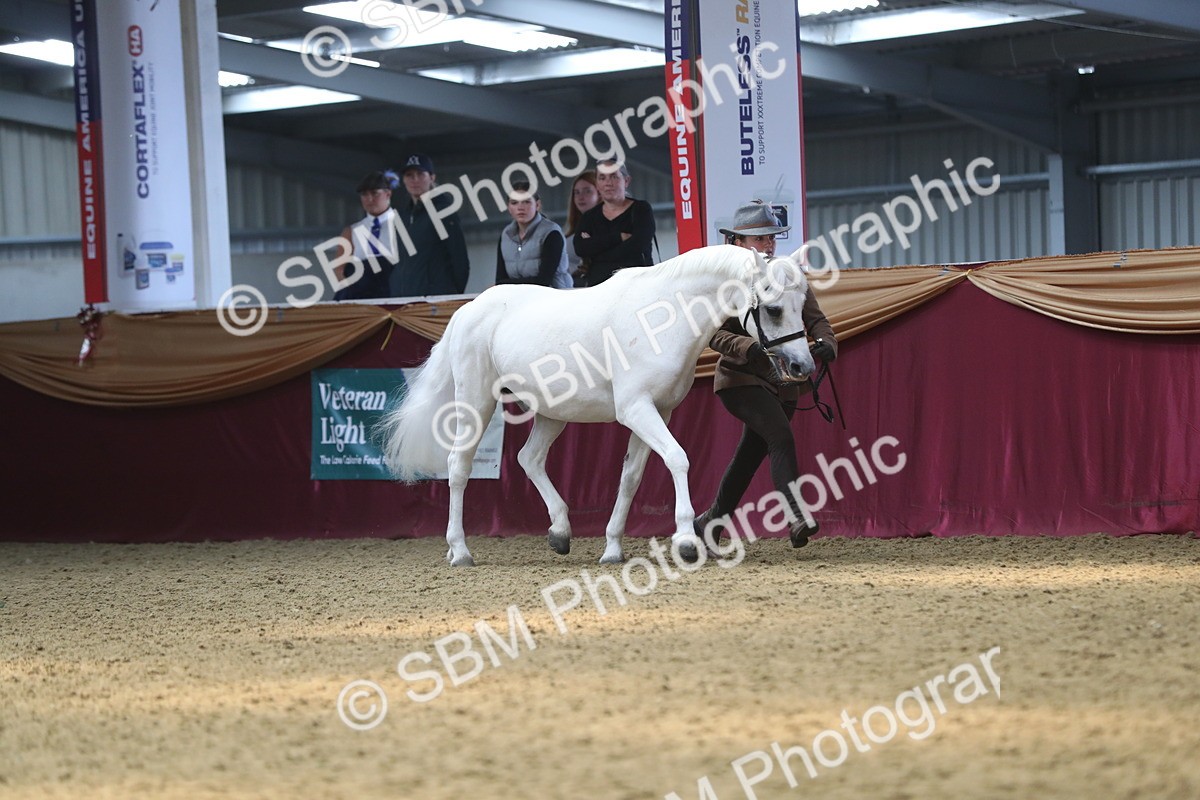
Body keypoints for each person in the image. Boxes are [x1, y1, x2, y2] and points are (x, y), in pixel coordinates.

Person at [695, 200, 838, 550]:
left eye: (772, 238)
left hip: (784, 383)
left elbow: (814, 316)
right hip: (741, 379)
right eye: (760, 239)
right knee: (780, 438)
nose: (769, 245)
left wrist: (826, 342)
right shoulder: (725, 283)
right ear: (739, 243)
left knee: (749, 457)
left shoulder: (788, 274)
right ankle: (796, 516)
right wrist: (747, 347)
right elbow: (713, 333)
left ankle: (710, 522)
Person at [387, 153, 470, 297]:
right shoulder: (403, 216)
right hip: (404, 300)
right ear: (403, 180)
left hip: (434, 300)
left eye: (420, 174)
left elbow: (459, 258)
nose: (415, 180)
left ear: (432, 177)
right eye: (409, 175)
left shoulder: (442, 211)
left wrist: (451, 295)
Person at [572, 159, 655, 285]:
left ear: (626, 181)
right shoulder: (589, 217)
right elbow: (580, 248)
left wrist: (597, 254)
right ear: (597, 184)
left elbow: (639, 245)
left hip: (637, 285)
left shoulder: (641, 209)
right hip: (599, 288)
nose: (608, 183)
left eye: (614, 177)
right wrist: (618, 237)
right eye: (602, 178)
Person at [332, 170, 400, 300]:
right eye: (364, 194)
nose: (370, 199)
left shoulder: (402, 225)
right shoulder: (351, 231)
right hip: (359, 295)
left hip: (395, 292)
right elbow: (339, 270)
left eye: (375, 193)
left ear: (388, 194)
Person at [495, 182, 572, 288]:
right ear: (508, 208)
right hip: (519, 299)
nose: (520, 207)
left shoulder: (551, 233)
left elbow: (543, 281)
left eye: (526, 202)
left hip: (556, 297)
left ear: (537, 205)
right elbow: (500, 280)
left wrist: (507, 284)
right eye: (514, 203)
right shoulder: (506, 235)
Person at [563, 170, 599, 286]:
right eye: (576, 192)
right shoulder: (573, 231)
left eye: (587, 191)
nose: (580, 197)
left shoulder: (604, 228)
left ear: (600, 193)